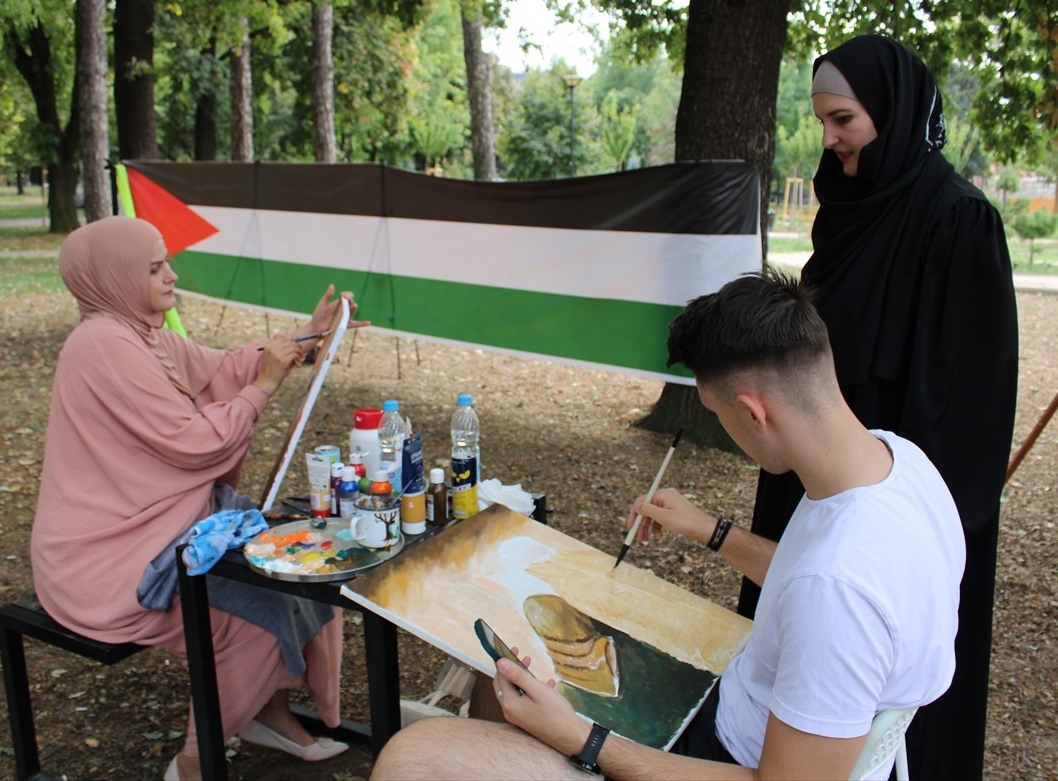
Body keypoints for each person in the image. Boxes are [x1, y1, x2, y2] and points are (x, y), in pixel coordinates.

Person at [370, 270, 965, 781]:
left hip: (716, 754)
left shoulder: (837, 592)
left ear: (753, 412)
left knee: (413, 758)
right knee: (501, 669)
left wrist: (583, 740)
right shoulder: (897, 463)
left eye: (718, 416)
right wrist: (710, 530)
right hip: (739, 709)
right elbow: (804, 572)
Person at [744, 35, 1019, 780]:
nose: (828, 140)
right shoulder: (847, 214)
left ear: (894, 115)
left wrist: (896, 548)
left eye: (844, 121)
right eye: (823, 121)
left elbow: (968, 415)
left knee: (877, 718)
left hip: (889, 517)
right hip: (812, 477)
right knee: (787, 694)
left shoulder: (959, 223)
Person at [30, 217, 368, 781]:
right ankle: (193, 760)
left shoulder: (140, 333)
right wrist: (263, 387)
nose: (173, 275)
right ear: (114, 277)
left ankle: (268, 713)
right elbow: (194, 445)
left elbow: (221, 369)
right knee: (253, 618)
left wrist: (307, 336)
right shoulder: (102, 346)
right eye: (155, 267)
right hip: (107, 561)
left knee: (301, 574)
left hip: (162, 528)